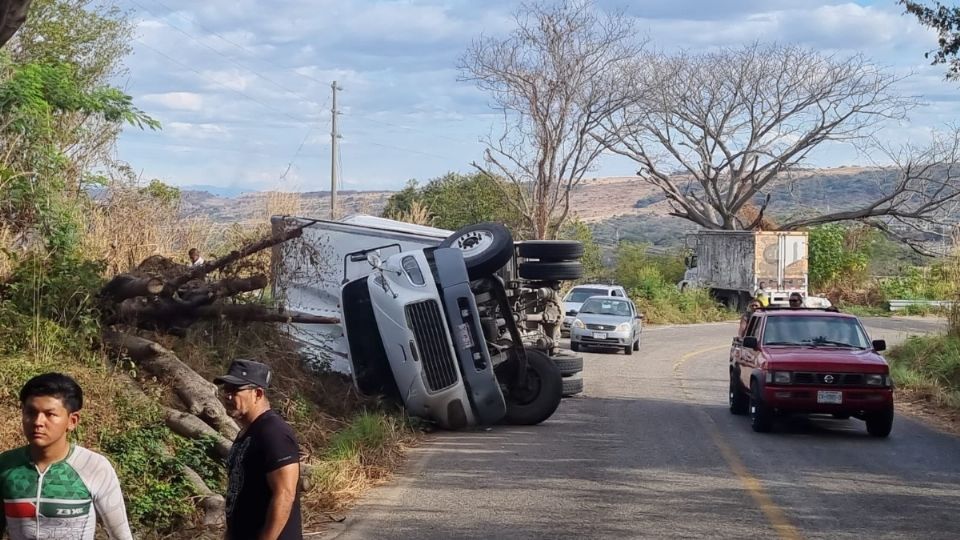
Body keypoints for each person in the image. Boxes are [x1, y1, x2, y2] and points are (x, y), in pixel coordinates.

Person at [0, 373, 132, 540]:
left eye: (50, 414)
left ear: (72, 421)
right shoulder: (6, 465)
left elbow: (122, 536)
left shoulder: (93, 466)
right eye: (31, 412)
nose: (38, 422)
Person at [215, 359, 302, 540]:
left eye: (236, 390)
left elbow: (285, 495)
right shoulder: (246, 433)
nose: (228, 396)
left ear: (258, 393)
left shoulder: (274, 432)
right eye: (226, 389)